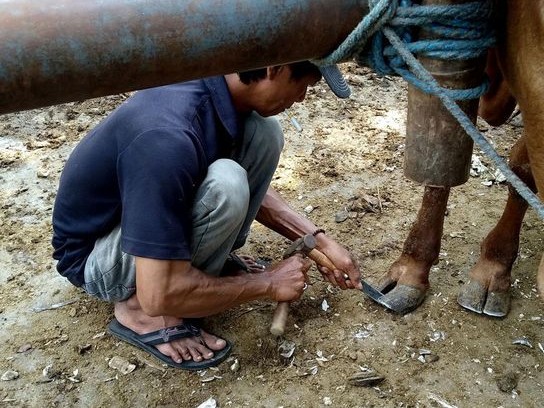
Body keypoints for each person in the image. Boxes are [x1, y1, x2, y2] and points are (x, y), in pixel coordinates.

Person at [51, 61, 361, 370]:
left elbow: (241, 187)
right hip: (97, 258)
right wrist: (269, 283)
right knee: (227, 183)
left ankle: (200, 269)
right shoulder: (167, 137)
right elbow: (159, 293)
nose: (302, 97)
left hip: (138, 222)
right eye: (303, 84)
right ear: (273, 68)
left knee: (263, 133)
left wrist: (318, 240)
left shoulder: (217, 81)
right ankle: (139, 314)